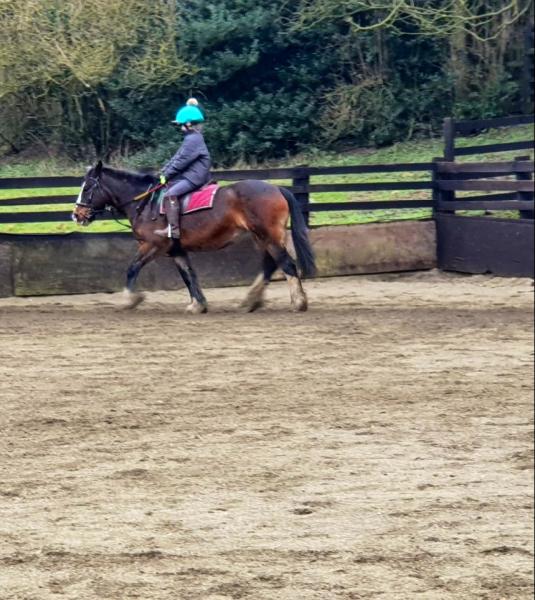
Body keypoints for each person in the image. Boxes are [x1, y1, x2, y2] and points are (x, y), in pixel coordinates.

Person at [154, 98, 212, 239]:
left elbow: (181, 161)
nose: (180, 128)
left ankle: (172, 230)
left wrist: (166, 176)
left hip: (195, 177)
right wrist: (163, 171)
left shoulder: (193, 139)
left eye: (181, 125)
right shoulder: (191, 138)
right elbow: (177, 157)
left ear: (189, 124)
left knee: (169, 195)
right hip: (191, 175)